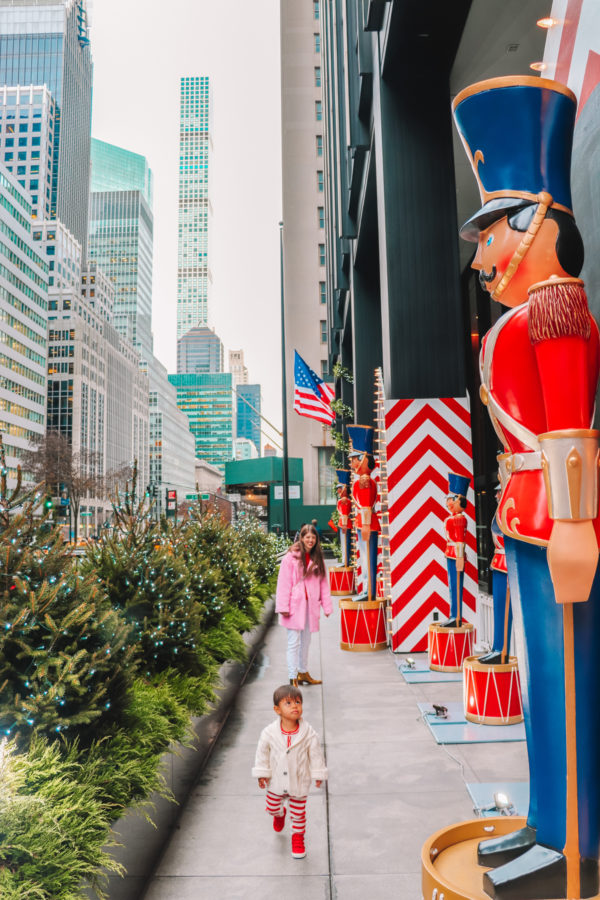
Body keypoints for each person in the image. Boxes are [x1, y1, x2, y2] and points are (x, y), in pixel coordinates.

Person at [454, 75, 600, 899]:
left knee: (568, 681)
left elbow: (572, 425)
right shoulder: (532, 311)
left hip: (559, 521)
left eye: (490, 233)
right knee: (546, 685)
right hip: (533, 517)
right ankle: (548, 824)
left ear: (534, 224)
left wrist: (576, 524)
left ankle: (573, 839)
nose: (479, 256)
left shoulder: (557, 309)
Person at [252, 683, 327, 859]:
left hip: (299, 781)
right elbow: (262, 753)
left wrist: (317, 773)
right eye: (288, 703)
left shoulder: (308, 734)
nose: (295, 706)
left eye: (298, 702)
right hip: (276, 781)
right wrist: (262, 773)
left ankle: (298, 838)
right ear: (277, 709)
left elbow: (316, 755)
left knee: (299, 814)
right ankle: (279, 814)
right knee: (271, 807)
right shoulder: (269, 733)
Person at [275, 523, 332, 686]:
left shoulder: (317, 558)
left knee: (306, 642)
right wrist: (283, 607)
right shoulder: (290, 558)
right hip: (294, 607)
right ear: (301, 538)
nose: (310, 540)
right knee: (294, 642)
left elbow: (323, 584)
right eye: (307, 537)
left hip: (310, 607)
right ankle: (293, 676)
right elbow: (283, 583)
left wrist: (326, 606)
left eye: (313, 537)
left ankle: (303, 672)